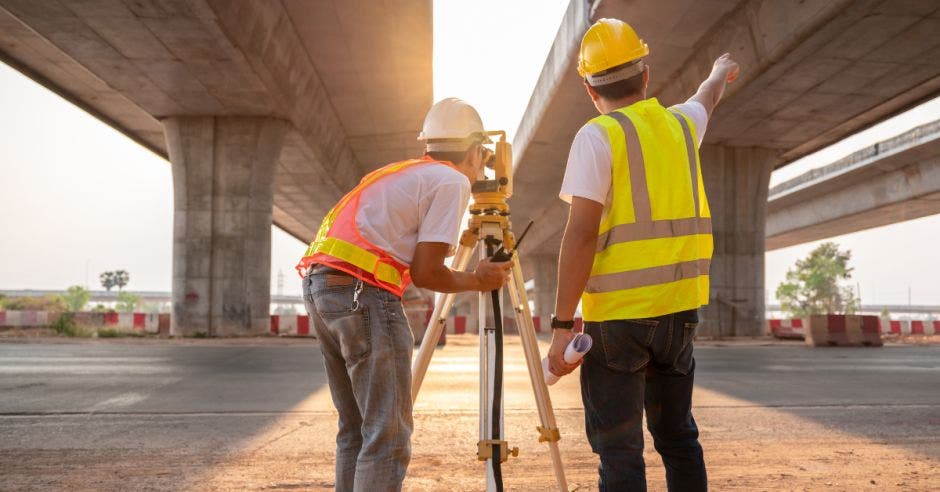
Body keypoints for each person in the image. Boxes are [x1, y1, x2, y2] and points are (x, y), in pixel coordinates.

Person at [545, 18, 740, 492]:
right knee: (678, 438)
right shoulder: (679, 125)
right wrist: (718, 71)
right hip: (679, 315)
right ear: (646, 75)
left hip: (618, 323)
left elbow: (581, 235)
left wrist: (559, 326)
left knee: (620, 449)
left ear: (590, 89)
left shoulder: (598, 135)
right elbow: (706, 97)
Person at [297, 97, 512, 492]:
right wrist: (479, 280)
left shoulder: (399, 174)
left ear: (427, 145)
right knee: (387, 437)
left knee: (357, 430)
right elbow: (426, 271)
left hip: (321, 287)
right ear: (476, 151)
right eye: (481, 158)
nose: (482, 166)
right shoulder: (452, 180)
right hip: (363, 295)